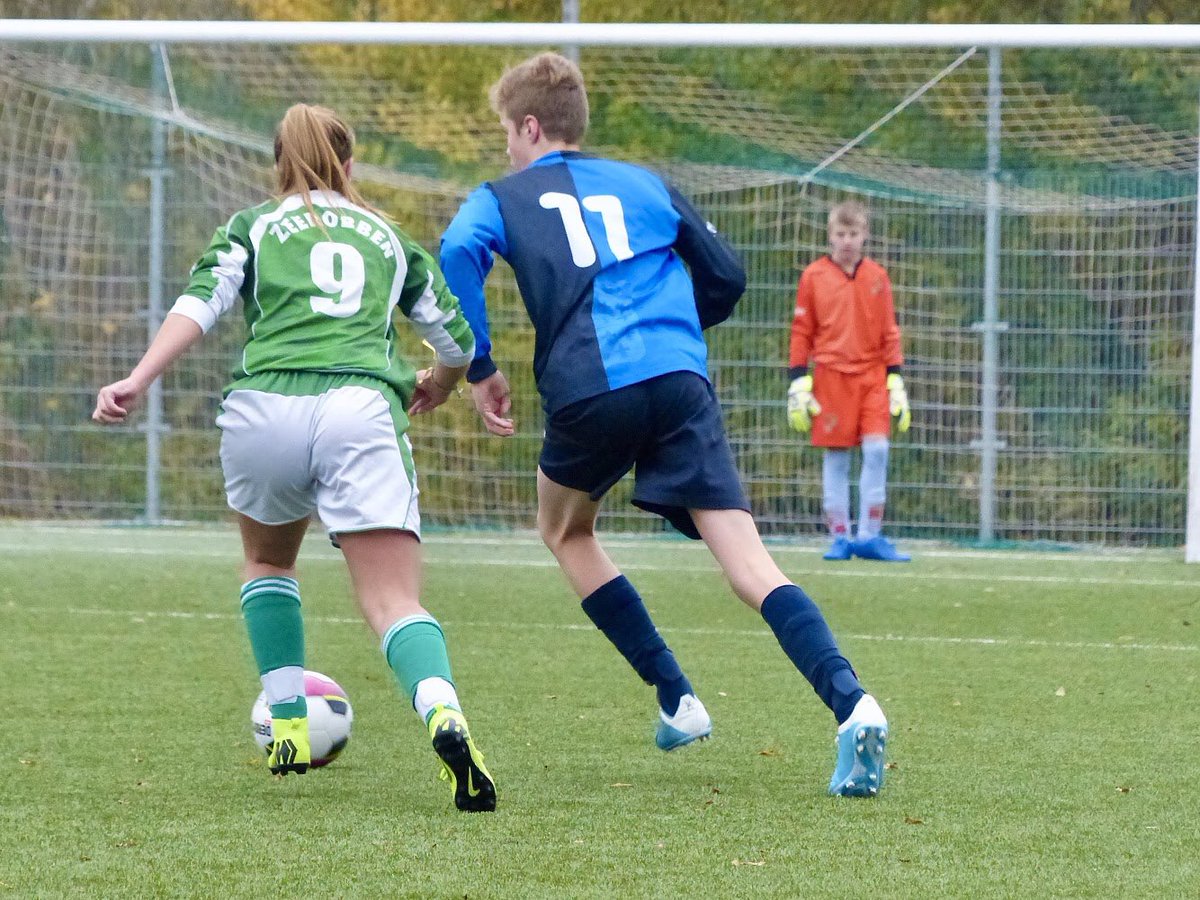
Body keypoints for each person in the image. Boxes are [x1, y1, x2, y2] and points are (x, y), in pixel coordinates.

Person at [439, 52, 888, 797]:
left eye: (507, 136)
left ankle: (678, 697)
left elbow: (457, 252)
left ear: (527, 126)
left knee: (564, 531)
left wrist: (480, 367)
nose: (506, 152)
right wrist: (676, 329)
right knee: (751, 568)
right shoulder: (645, 184)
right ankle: (853, 704)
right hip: (681, 380)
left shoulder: (500, 196)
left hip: (590, 384)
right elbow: (729, 276)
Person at [92, 104, 496, 812]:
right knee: (393, 600)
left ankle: (285, 727)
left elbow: (201, 302)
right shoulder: (388, 237)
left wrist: (139, 377)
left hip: (263, 412)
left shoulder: (251, 226)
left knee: (270, 563)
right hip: (359, 409)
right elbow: (456, 340)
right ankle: (444, 715)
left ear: (278, 163)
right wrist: (438, 384)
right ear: (349, 162)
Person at [787, 201, 912, 563]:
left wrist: (895, 379)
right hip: (830, 377)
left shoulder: (877, 276)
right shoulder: (813, 276)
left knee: (877, 450)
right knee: (837, 457)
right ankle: (840, 537)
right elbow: (802, 331)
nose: (846, 241)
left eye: (853, 234)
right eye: (840, 234)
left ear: (864, 235)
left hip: (872, 377)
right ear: (830, 236)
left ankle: (869, 536)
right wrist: (798, 380)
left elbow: (890, 329)